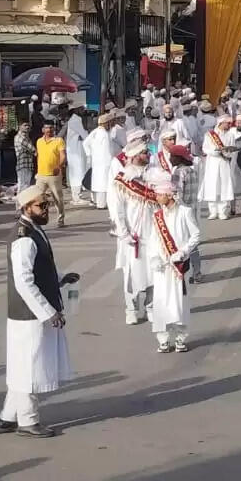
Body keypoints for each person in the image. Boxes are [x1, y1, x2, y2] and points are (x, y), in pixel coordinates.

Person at [0, 184, 74, 437]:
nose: (46, 209)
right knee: (28, 368)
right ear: (26, 208)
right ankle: (28, 421)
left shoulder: (34, 230)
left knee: (22, 365)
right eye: (42, 205)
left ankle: (8, 417)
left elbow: (42, 270)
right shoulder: (24, 238)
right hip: (28, 315)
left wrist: (61, 279)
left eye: (47, 204)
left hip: (31, 312)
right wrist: (48, 312)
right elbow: (24, 282)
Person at [138, 171, 199, 354]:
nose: (157, 197)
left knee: (179, 303)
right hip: (161, 267)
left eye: (160, 194)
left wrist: (183, 252)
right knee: (161, 302)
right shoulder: (157, 216)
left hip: (178, 265)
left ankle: (180, 338)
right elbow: (153, 240)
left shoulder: (185, 212)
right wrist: (155, 258)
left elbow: (195, 235)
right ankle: (163, 339)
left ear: (169, 195)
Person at [109, 132, 154, 326]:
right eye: (145, 153)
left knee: (154, 272)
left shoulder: (153, 176)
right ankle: (132, 309)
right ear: (135, 156)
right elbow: (116, 210)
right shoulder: (121, 181)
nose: (148, 155)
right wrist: (124, 233)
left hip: (152, 233)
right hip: (132, 235)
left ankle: (151, 307)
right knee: (131, 275)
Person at [201, 114, 238, 220]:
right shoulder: (209, 135)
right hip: (212, 162)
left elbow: (233, 150)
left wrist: (228, 153)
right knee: (213, 186)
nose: (229, 125)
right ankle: (213, 211)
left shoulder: (230, 135)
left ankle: (223, 211)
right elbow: (205, 149)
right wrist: (215, 152)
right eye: (227, 123)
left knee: (224, 186)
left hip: (224, 163)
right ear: (221, 123)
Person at [83, 111, 118, 209]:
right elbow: (108, 151)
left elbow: (85, 143)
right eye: (110, 122)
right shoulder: (103, 134)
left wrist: (90, 155)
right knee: (103, 184)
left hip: (98, 162)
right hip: (104, 163)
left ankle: (98, 202)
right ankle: (101, 204)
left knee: (98, 183)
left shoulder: (96, 132)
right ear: (105, 123)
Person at [64, 107, 89, 202]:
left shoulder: (76, 120)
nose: (84, 111)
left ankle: (78, 195)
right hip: (75, 151)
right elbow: (84, 134)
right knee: (77, 172)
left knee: (79, 171)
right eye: (81, 109)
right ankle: (76, 197)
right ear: (76, 110)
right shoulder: (75, 120)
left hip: (77, 150)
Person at [13, 124, 36, 191]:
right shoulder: (20, 137)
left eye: (28, 125)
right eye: (25, 125)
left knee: (26, 185)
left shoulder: (26, 137)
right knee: (22, 185)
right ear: (19, 127)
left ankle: (24, 200)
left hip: (28, 164)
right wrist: (35, 152)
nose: (27, 127)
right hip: (23, 165)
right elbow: (31, 148)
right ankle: (20, 200)